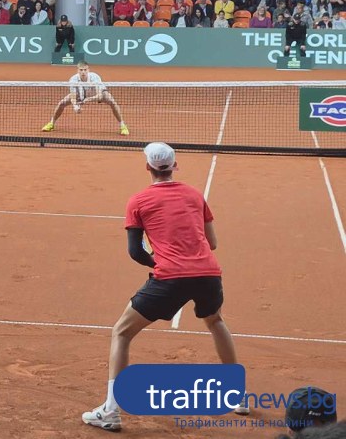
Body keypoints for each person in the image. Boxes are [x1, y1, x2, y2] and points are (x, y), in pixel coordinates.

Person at [81, 142, 247, 431]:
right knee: (215, 320)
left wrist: (157, 261)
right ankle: (238, 395)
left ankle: (110, 411)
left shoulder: (138, 201)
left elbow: (135, 252)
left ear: (147, 167)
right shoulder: (195, 195)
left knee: (121, 332)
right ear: (175, 166)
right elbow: (213, 244)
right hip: (208, 273)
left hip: (170, 277)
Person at [42, 61, 128, 135]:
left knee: (112, 102)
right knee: (62, 103)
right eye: (81, 70)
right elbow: (73, 95)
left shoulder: (94, 77)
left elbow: (99, 96)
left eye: (85, 70)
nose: (83, 72)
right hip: (80, 93)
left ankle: (122, 125)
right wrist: (75, 107)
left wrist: (88, 99)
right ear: (78, 70)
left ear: (88, 70)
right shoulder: (73, 79)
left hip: (97, 93)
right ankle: (51, 123)